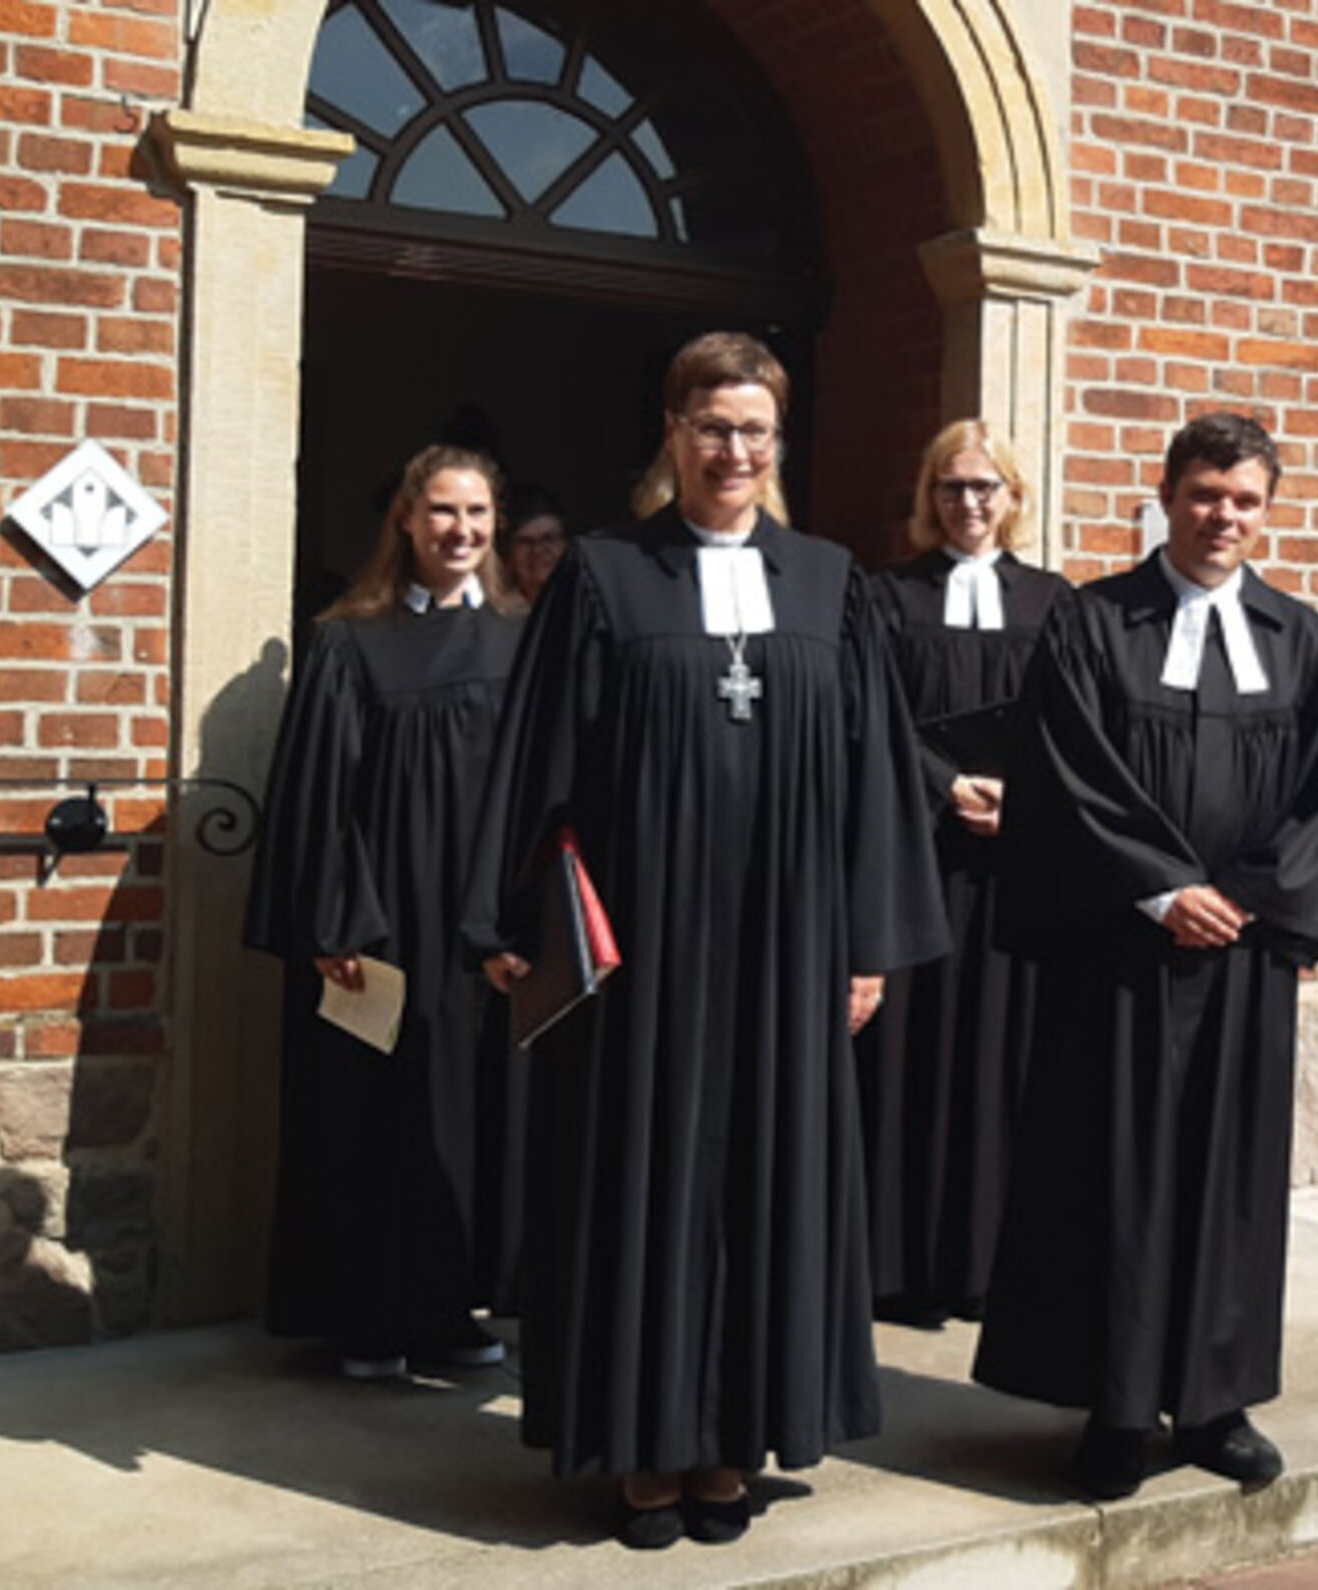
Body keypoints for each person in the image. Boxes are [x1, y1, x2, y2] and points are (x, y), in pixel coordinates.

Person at [465, 332, 948, 1550]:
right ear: (672, 433)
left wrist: (867, 944)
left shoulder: (830, 582)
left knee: (763, 1185)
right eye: (710, 426)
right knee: (646, 1182)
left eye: (754, 430)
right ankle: (645, 1443)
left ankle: (734, 1439)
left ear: (777, 445)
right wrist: (510, 917)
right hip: (648, 949)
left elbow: (876, 776)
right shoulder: (603, 575)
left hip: (790, 949)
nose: (732, 450)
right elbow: (539, 760)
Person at [971, 412, 1318, 1501]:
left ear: (1266, 510)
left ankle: (1212, 1403)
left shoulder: (1304, 642)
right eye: (1203, 495)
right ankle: (1110, 1407)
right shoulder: (1093, 624)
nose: (1221, 517)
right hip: (1120, 954)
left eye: (1243, 500)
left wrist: (1236, 899)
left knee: (1227, 1182)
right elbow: (1068, 775)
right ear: (1165, 496)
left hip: (1239, 963)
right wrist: (1161, 888)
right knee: (1114, 1175)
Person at [245, 444, 527, 1380]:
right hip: (381, 929)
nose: (461, 531)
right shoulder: (349, 641)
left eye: (478, 514)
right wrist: (336, 928)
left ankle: (452, 1308)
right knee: (372, 1116)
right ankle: (367, 1317)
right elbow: (320, 796)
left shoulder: (525, 642)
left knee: (469, 1121)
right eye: (443, 512)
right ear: (406, 519)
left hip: (483, 935)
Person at [857, 421, 1071, 1328]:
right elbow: (867, 715)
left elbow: (1076, 725)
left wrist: (1022, 797)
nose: (969, 503)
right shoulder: (884, 598)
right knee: (912, 1051)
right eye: (951, 487)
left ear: (1014, 498)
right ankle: (898, 1264)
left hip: (1013, 864)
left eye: (986, 487)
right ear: (928, 497)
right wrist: (947, 786)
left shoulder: (1055, 602)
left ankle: (990, 1265)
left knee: (1001, 1054)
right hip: (916, 852)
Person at [500, 485, 566, 604]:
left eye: (548, 539)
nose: (537, 550)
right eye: (525, 542)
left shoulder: (586, 610)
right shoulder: (492, 616)